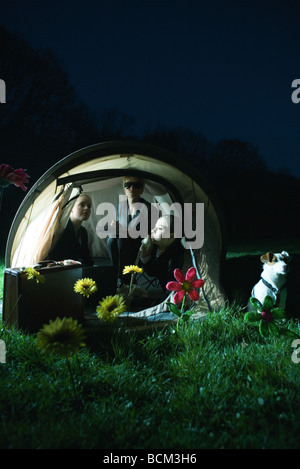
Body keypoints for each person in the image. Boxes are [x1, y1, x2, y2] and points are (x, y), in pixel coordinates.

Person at [107, 176, 158, 283]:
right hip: (124, 241)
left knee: (122, 240)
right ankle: (117, 274)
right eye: (128, 185)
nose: (132, 188)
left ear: (142, 189)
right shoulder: (120, 206)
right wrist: (115, 226)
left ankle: (126, 278)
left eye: (137, 185)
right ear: (124, 189)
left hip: (141, 245)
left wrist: (119, 230)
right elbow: (120, 228)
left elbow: (141, 234)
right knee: (111, 240)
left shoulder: (149, 208)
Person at [139, 214, 185, 292]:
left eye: (159, 228)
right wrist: (145, 255)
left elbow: (171, 283)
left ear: (171, 237)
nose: (152, 231)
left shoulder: (176, 254)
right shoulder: (156, 247)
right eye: (155, 227)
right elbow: (151, 272)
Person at [48, 193, 93, 265]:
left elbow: (86, 257)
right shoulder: (62, 227)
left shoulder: (83, 232)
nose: (86, 208)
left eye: (89, 206)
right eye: (82, 205)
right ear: (72, 207)